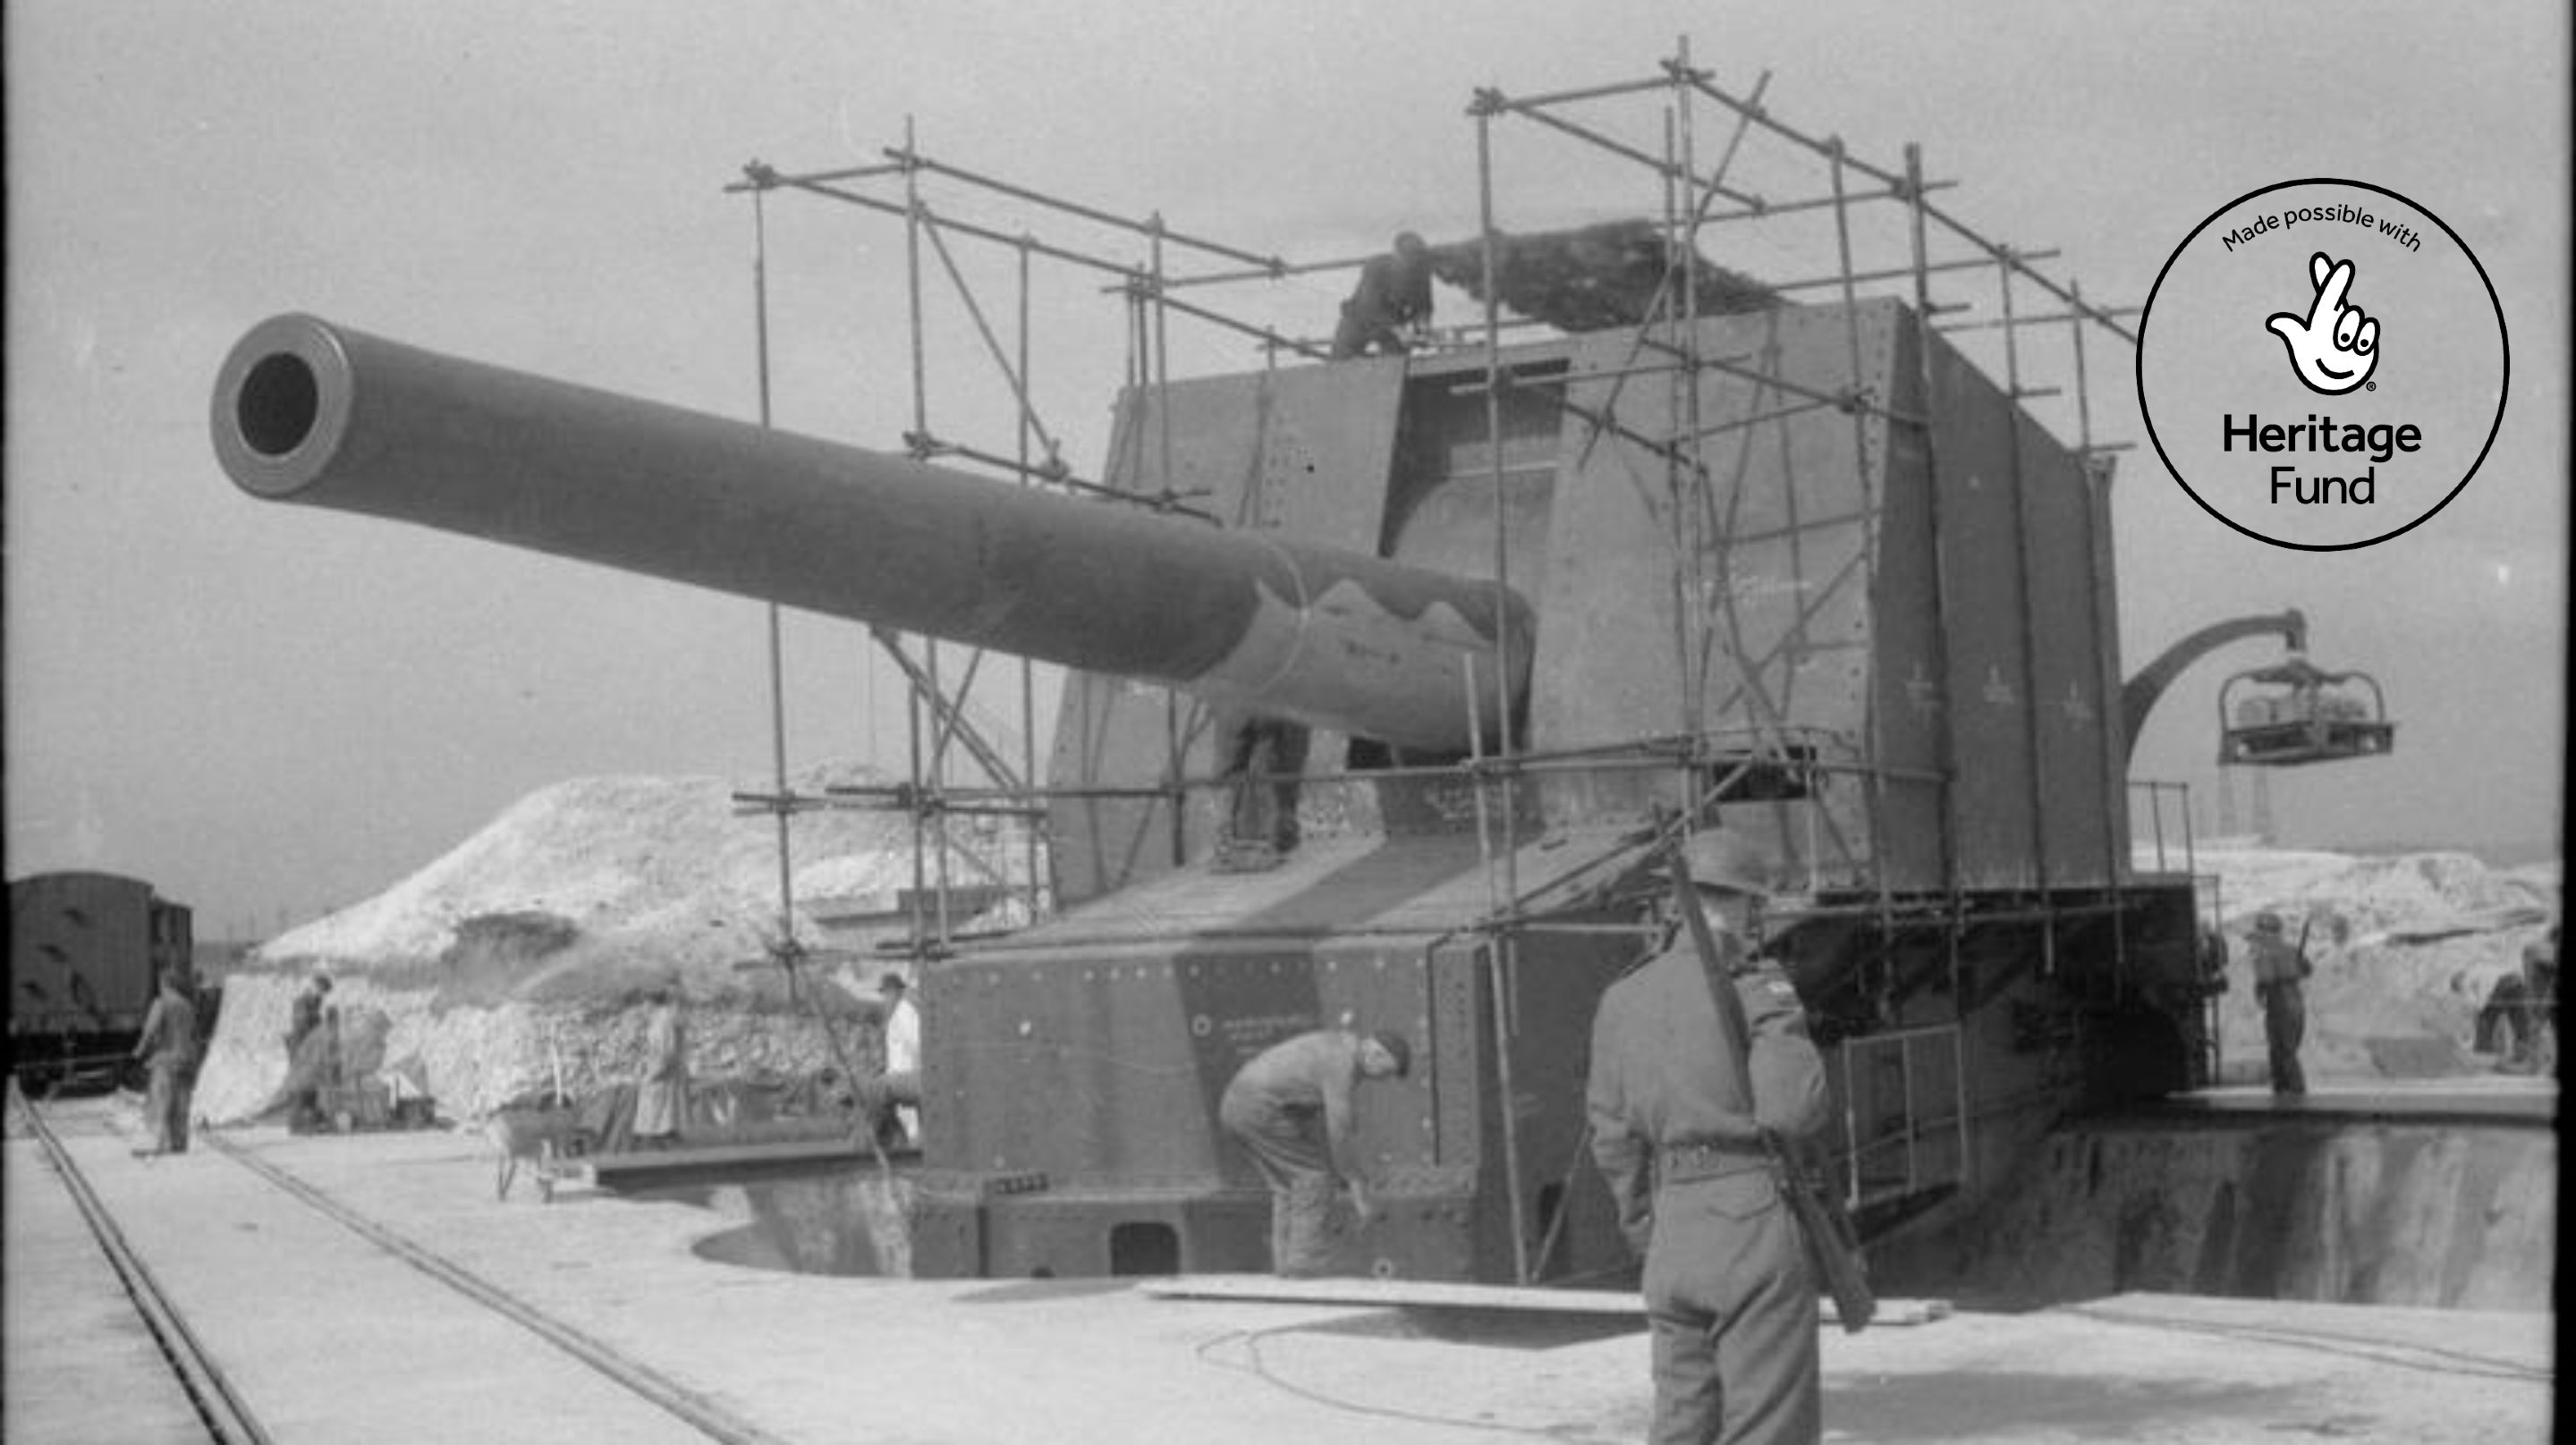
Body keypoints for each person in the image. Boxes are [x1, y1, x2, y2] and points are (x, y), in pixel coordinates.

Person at [1586, 828, 1832, 1445]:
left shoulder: (1621, 998)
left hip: (1674, 1228)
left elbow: (1612, 1138)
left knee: (1682, 1422)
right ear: (1748, 907)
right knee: (1766, 1422)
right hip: (1750, 1218)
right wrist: (1779, 1014)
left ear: (1674, 903)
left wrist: (1649, 1230)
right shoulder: (1752, 986)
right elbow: (1793, 1111)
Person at [1218, 1027, 1412, 1277]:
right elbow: (1339, 1133)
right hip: (1258, 1109)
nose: (1382, 1080)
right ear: (1375, 1054)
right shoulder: (1342, 1065)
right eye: (1385, 1072)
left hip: (1235, 1106)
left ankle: (1286, 1264)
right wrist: (1357, 1185)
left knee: (1287, 1185)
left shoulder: (1338, 1046)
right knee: (1314, 1177)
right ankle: (1304, 1263)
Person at [1329, 231, 1435, 359]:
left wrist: (1423, 329)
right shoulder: (1375, 267)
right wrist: (1400, 332)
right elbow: (1371, 306)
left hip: (1392, 325)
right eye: (1409, 260)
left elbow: (1424, 306)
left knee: (1398, 363)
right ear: (1397, 255)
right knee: (1339, 358)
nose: (1412, 266)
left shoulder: (1421, 271)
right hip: (1359, 319)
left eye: (1416, 260)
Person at [131, 969, 200, 1158]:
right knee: (181, 1103)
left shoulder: (161, 1003)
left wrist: (139, 1050)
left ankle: (160, 1143)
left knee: (161, 1103)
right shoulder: (187, 1005)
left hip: (166, 1059)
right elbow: (194, 1035)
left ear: (163, 983)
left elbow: (151, 1030)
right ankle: (179, 1143)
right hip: (186, 1058)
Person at [2246, 911, 2309, 1096]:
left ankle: (2290, 1086)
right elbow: (2307, 970)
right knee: (2288, 1046)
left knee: (2280, 1047)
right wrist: (2295, 962)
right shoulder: (2290, 949)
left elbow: (2266, 978)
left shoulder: (2264, 952)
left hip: (2279, 1003)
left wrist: (2259, 991)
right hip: (2296, 1001)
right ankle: (2285, 1086)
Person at [631, 987, 688, 1150]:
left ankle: (658, 1142)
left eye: (643, 1004)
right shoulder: (660, 1021)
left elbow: (665, 1052)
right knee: (659, 1112)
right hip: (660, 1071)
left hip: (661, 1074)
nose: (642, 1009)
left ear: (650, 1003)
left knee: (657, 1113)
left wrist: (653, 1073)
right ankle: (660, 1140)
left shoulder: (662, 1023)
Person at [878, 972, 922, 1142]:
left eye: (887, 993)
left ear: (897, 991)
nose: (885, 998)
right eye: (884, 994)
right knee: (905, 1124)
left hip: (906, 1077)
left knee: (911, 1127)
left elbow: (916, 1043)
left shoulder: (904, 1013)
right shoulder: (897, 1014)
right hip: (899, 1078)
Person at [286, 973, 332, 1133]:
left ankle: (308, 1118)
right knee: (302, 1085)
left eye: (325, 993)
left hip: (308, 1049)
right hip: (301, 1048)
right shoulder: (303, 1002)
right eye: (322, 991)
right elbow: (303, 1026)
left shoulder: (315, 1002)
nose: (323, 995)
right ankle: (298, 1123)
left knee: (311, 1084)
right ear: (316, 987)